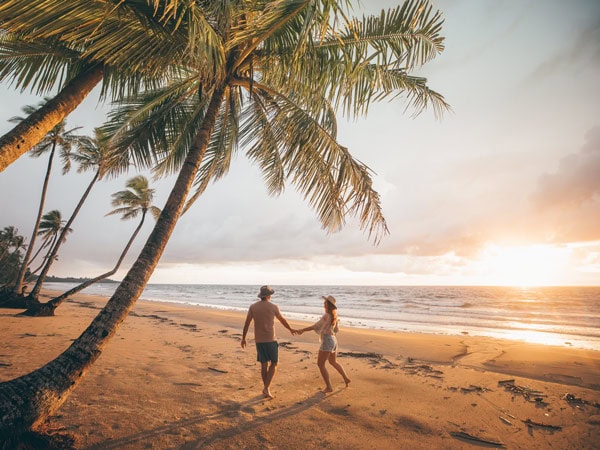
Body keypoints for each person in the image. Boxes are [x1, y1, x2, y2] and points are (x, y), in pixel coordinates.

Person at [241, 285, 296, 399]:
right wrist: (290, 329)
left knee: (264, 364)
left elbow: (247, 323)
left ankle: (266, 388)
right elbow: (282, 320)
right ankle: (266, 388)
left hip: (259, 340)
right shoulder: (273, 307)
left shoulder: (253, 307)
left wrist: (243, 338)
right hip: (270, 339)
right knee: (274, 363)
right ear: (269, 296)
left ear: (261, 296)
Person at [296, 295, 351, 393]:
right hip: (333, 340)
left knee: (320, 364)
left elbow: (316, 326)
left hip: (327, 340)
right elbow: (336, 330)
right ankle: (346, 378)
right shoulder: (334, 316)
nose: (323, 303)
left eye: (325, 302)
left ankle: (329, 387)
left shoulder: (326, 315)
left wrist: (303, 330)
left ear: (328, 305)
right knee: (333, 362)